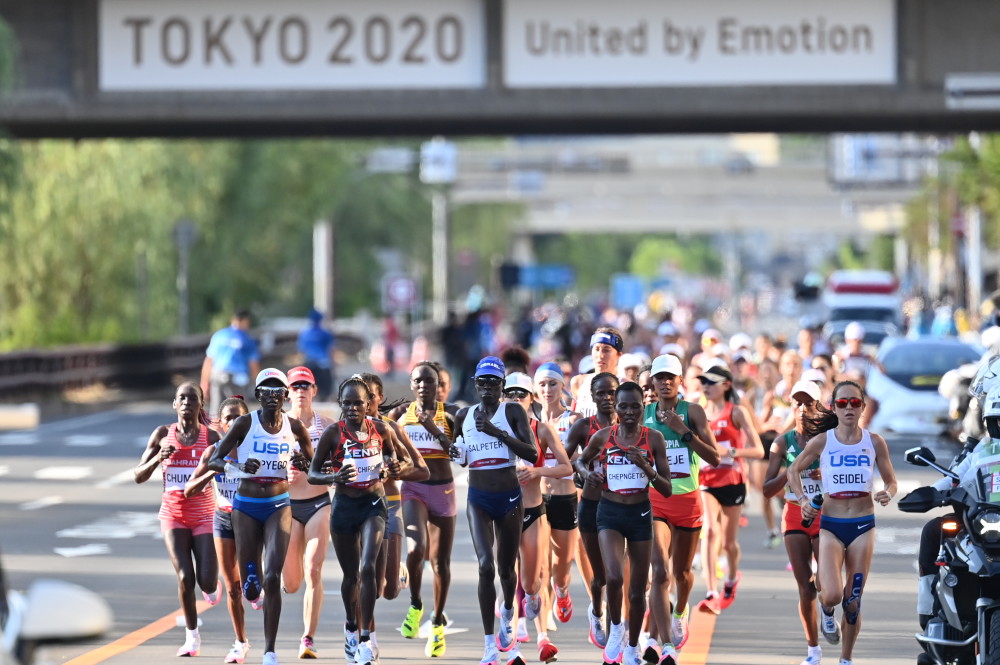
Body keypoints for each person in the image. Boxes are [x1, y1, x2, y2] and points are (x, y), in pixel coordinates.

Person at [209, 368, 315, 665]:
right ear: (258, 395)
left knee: (272, 577)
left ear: (285, 394)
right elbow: (217, 459)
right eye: (265, 390)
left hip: (279, 504)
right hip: (245, 506)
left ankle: (269, 650)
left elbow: (315, 465)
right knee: (251, 584)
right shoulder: (244, 423)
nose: (271, 395)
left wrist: (304, 462)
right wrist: (242, 468)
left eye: (277, 389)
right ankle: (250, 583)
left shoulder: (294, 427)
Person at [789, 380, 897, 665]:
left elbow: (891, 480)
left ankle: (846, 659)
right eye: (842, 402)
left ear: (862, 407)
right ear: (833, 407)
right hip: (832, 526)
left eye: (854, 402)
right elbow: (793, 470)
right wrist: (802, 500)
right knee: (833, 594)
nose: (848, 408)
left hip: (863, 525)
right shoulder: (823, 441)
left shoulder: (874, 442)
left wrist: (888, 492)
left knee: (852, 601)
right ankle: (826, 610)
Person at [307, 376, 403, 665]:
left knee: (369, 567)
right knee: (352, 577)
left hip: (374, 504)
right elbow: (313, 474)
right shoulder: (333, 434)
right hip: (344, 508)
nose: (352, 408)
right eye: (346, 403)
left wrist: (391, 467)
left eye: (358, 403)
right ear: (340, 404)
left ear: (368, 404)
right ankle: (351, 624)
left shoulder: (381, 430)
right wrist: (333, 477)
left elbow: (395, 460)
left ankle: (364, 639)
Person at [577, 382, 674, 665]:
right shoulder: (604, 437)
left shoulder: (653, 438)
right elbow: (580, 463)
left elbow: (667, 488)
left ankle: (632, 647)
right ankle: (616, 628)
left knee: (637, 588)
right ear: (615, 408)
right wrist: (587, 475)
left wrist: (645, 466)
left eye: (635, 406)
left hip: (640, 515)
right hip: (608, 513)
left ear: (643, 408)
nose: (629, 412)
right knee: (614, 577)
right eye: (623, 406)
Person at [451, 356, 539, 665]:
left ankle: (509, 612)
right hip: (478, 498)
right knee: (485, 566)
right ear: (475, 385)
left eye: (493, 382)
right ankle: (490, 645)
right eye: (482, 382)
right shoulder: (463, 414)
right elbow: (460, 454)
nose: (487, 388)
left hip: (510, 498)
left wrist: (496, 432)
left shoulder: (512, 410)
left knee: (505, 570)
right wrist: (456, 451)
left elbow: (532, 453)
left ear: (502, 386)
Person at [135, 382, 221, 659]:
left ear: (200, 405)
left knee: (206, 583)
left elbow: (228, 467)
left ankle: (212, 586)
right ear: (174, 404)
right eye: (181, 398)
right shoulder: (163, 434)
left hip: (204, 514)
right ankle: (192, 637)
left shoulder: (211, 437)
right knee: (185, 576)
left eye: (192, 398)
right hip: (173, 514)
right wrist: (156, 460)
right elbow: (138, 475)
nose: (186, 402)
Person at [644, 354, 720, 656]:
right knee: (660, 572)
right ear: (652, 381)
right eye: (659, 377)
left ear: (680, 382)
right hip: (655, 501)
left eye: (670, 377)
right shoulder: (643, 413)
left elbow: (714, 457)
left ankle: (681, 612)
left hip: (688, 500)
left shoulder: (694, 412)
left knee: (683, 573)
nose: (664, 382)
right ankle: (661, 642)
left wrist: (683, 431)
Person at [502, 372, 572, 665]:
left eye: (522, 394)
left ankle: (538, 620)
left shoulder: (541, 429)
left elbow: (566, 466)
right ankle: (518, 641)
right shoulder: (493, 430)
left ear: (531, 398)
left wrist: (537, 472)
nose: (517, 399)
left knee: (535, 579)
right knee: (506, 575)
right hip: (503, 512)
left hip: (533, 510)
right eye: (512, 394)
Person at [763, 380, 834, 665]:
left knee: (826, 584)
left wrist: (824, 474)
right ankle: (813, 650)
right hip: (794, 513)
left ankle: (828, 610)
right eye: (798, 403)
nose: (803, 409)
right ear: (791, 407)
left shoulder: (832, 438)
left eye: (809, 404)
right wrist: (792, 470)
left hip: (826, 515)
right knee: (805, 587)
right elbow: (766, 489)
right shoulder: (782, 442)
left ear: (818, 408)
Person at [393, 362, 459, 657]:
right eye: (418, 381)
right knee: (416, 548)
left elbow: (458, 452)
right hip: (413, 489)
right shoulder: (399, 415)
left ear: (437, 385)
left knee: (440, 563)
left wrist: (432, 426)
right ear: (411, 384)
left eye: (429, 381)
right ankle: (416, 604)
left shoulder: (452, 414)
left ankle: (437, 624)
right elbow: (381, 441)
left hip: (444, 491)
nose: (423, 386)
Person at [184, 395, 252, 664]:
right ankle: (240, 642)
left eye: (239, 418)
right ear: (221, 425)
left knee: (253, 582)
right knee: (232, 587)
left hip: (252, 517)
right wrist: (216, 469)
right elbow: (190, 489)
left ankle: (255, 587)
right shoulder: (212, 452)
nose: (234, 422)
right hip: (223, 518)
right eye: (228, 418)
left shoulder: (256, 448)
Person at [695, 365, 764, 614]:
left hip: (732, 481)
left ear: (726, 385)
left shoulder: (737, 412)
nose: (706, 386)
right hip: (706, 481)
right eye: (703, 381)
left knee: (729, 543)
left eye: (711, 382)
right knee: (710, 531)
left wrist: (730, 452)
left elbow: (759, 450)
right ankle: (712, 591)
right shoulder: (698, 412)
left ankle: (732, 579)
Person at [280, 366, 336, 659]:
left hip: (317, 504)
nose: (301, 391)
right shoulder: (276, 425)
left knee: (314, 568)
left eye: (306, 386)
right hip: (287, 508)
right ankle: (283, 575)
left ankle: (308, 639)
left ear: (314, 391)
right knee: (292, 582)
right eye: (296, 386)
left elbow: (339, 465)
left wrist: (319, 468)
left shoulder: (327, 426)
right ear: (288, 393)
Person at [564, 371, 620, 651]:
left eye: (612, 392)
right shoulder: (583, 427)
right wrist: (584, 471)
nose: (607, 398)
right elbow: (569, 458)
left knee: (617, 576)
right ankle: (596, 611)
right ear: (592, 396)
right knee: (600, 577)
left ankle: (616, 640)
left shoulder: (630, 425)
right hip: (591, 504)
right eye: (601, 393)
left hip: (623, 506)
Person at [533, 363, 581, 629]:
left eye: (552, 384)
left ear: (562, 386)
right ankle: (543, 628)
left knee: (560, 568)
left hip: (565, 498)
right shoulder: (531, 422)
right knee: (540, 564)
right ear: (535, 389)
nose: (547, 389)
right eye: (542, 384)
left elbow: (578, 460)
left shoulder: (572, 420)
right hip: (538, 500)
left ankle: (561, 591)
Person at [201, 309, 261, 416]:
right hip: (236, 378)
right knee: (240, 411)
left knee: (216, 411)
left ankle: (215, 431)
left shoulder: (219, 335)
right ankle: (240, 431)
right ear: (245, 321)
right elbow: (253, 364)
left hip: (217, 375)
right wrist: (259, 384)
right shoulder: (247, 339)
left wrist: (204, 383)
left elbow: (208, 361)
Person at [571, 327, 625, 417]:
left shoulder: (625, 386)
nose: (600, 355)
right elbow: (572, 419)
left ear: (619, 355)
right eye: (596, 349)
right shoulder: (579, 382)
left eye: (606, 350)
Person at [297, 310, 336, 402]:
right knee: (325, 390)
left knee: (308, 387)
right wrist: (334, 363)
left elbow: (301, 351)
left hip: (309, 363)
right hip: (323, 363)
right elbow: (331, 350)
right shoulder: (326, 333)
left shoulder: (304, 333)